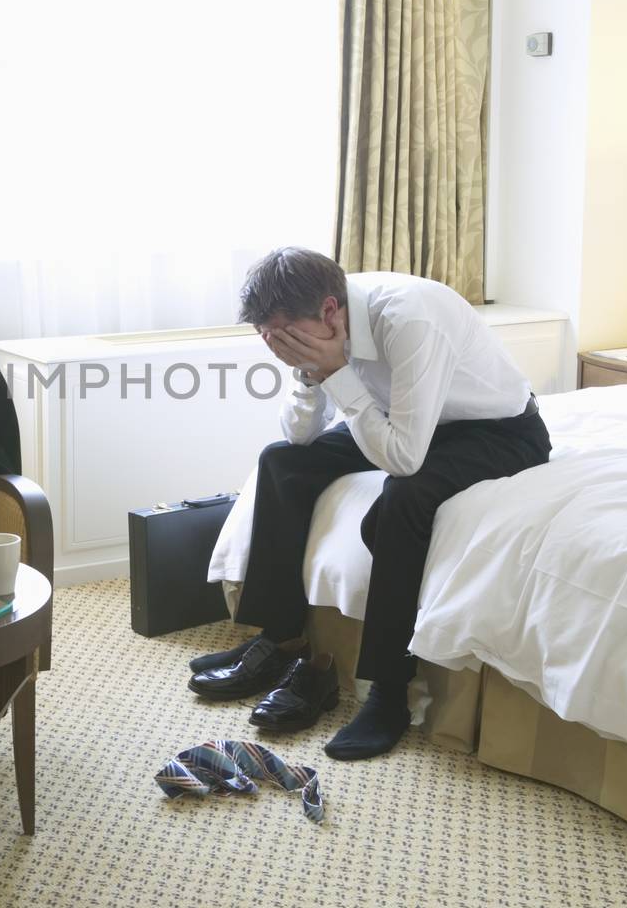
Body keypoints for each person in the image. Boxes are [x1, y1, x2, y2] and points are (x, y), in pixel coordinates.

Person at [188, 247, 551, 760]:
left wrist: (337, 370)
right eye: (267, 336)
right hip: (406, 422)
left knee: (400, 500)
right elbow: (299, 436)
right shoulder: (318, 314)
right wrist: (312, 372)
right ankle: (281, 638)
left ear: (330, 312)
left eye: (285, 335)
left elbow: (403, 460)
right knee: (280, 464)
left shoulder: (410, 321)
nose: (277, 346)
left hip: (497, 432)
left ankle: (389, 693)